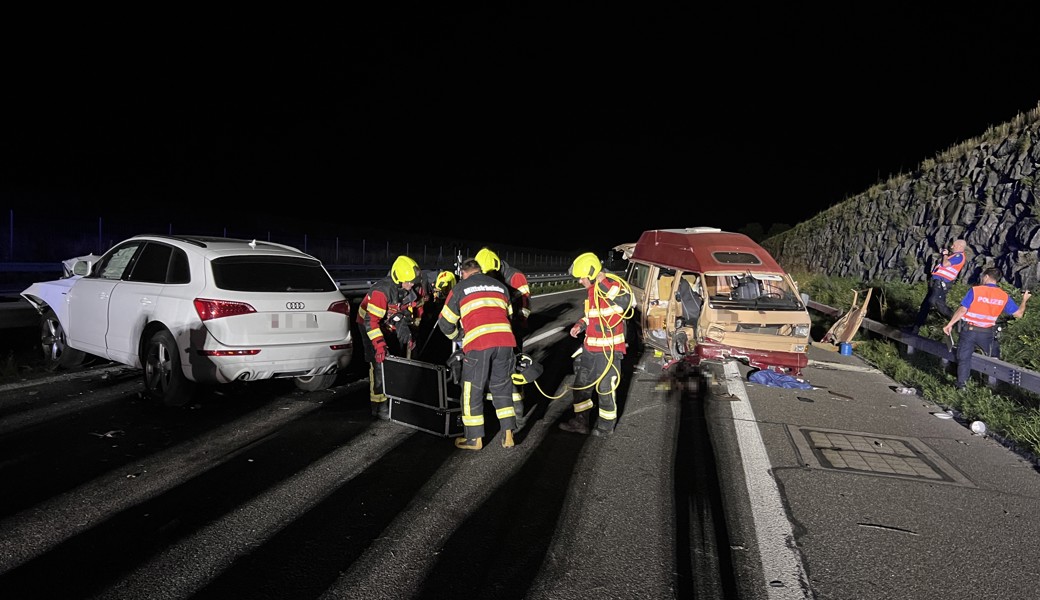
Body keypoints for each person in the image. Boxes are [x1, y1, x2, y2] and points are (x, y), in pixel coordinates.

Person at [436, 258, 519, 450]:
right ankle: (508, 433)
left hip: (479, 343)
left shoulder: (461, 287)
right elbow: (510, 315)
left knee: (473, 389)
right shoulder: (501, 286)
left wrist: (458, 336)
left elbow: (445, 322)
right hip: (506, 341)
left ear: (464, 273)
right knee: (502, 386)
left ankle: (474, 439)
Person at [559, 252, 632, 436]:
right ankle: (580, 422)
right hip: (590, 350)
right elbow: (593, 314)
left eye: (582, 277)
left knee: (605, 388)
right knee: (581, 387)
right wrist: (580, 325)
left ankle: (606, 427)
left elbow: (626, 302)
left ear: (591, 274)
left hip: (608, 351)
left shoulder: (612, 286)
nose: (580, 281)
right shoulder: (592, 292)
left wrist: (603, 283)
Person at [942, 267, 1030, 389]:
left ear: (987, 276)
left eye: (983, 276)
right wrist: (1024, 300)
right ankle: (991, 386)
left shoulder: (976, 290)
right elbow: (1019, 314)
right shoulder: (1003, 296)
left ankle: (962, 386)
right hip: (987, 333)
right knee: (994, 358)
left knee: (964, 359)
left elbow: (963, 310)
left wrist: (950, 324)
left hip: (969, 331)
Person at [356, 255, 422, 419]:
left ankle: (393, 398)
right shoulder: (381, 291)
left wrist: (408, 334)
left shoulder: (408, 289)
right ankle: (379, 405)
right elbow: (371, 322)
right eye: (408, 281)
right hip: (368, 325)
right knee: (378, 362)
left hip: (386, 322)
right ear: (398, 278)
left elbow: (403, 312)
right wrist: (379, 345)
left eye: (413, 281)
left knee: (394, 359)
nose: (411, 285)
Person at [475, 247, 532, 426]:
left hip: (513, 329)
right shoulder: (490, 278)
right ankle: (497, 406)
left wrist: (517, 324)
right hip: (495, 329)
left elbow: (525, 305)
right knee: (494, 368)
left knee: (513, 368)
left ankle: (517, 410)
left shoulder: (515, 277)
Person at [911, 239, 968, 333]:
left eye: (953, 245)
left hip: (942, 283)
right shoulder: (954, 256)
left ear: (960, 246)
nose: (952, 247)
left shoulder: (959, 256)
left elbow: (945, 264)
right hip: (936, 281)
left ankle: (958, 321)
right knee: (925, 305)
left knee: (935, 302)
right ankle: (915, 329)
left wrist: (945, 255)